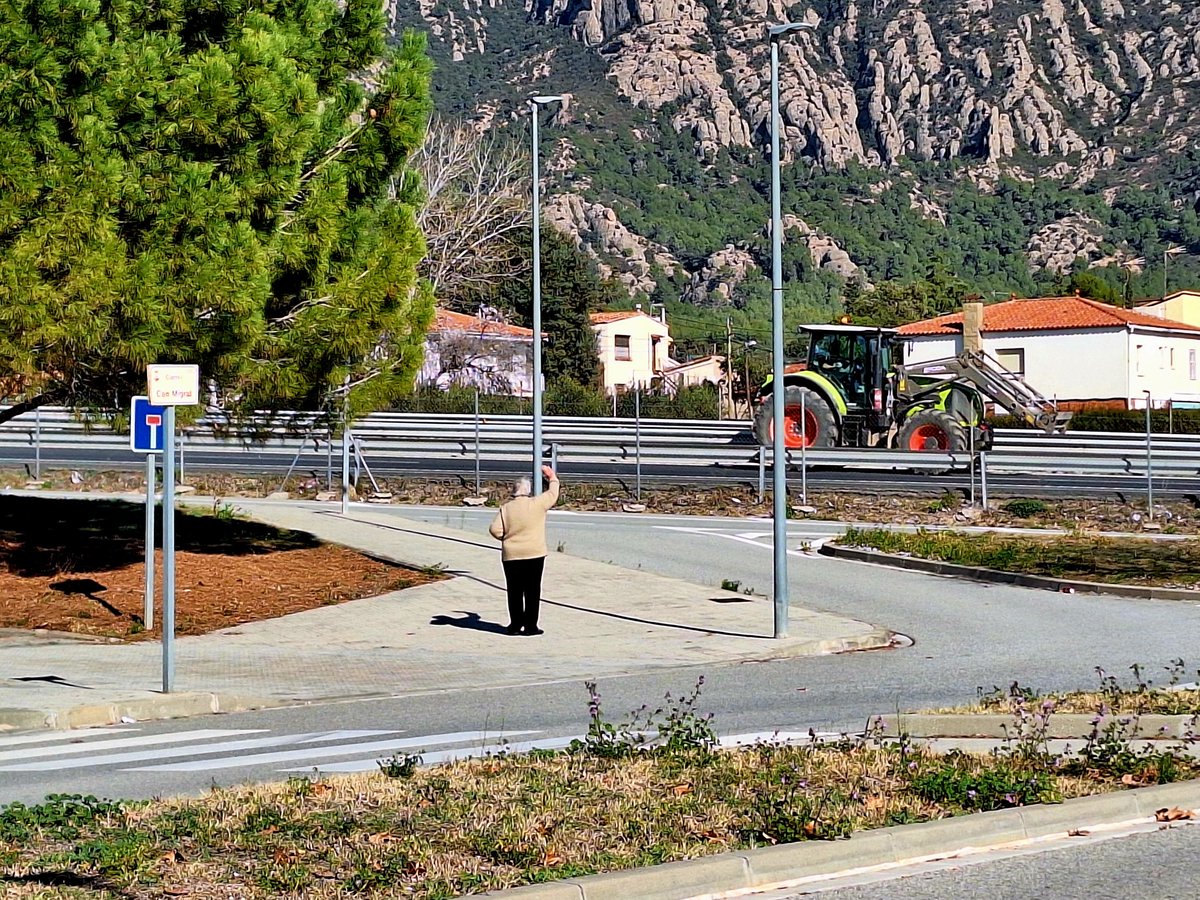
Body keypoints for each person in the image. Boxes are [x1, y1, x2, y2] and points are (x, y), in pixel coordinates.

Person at [488, 465, 560, 635]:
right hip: (535, 553)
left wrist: (506, 539)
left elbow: (494, 529)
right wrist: (552, 476)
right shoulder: (538, 503)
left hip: (512, 555)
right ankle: (530, 626)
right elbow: (553, 494)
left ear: (514, 491)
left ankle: (515, 625)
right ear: (528, 491)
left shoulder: (506, 508)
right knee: (532, 590)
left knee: (514, 590)